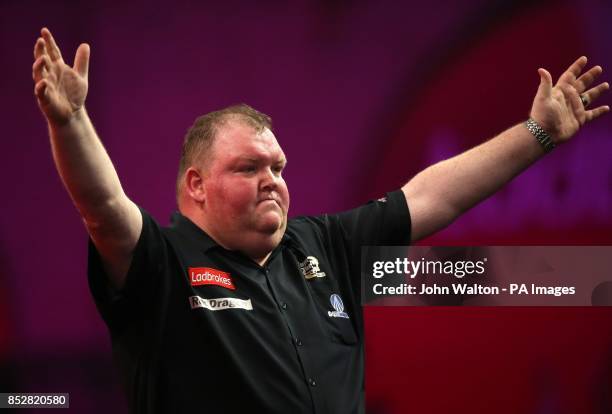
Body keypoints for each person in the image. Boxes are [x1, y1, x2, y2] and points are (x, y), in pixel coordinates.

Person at [32, 27, 609, 414]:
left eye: (278, 166)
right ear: (196, 185)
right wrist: (71, 122)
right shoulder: (161, 265)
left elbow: (432, 197)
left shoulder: (322, 244)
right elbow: (104, 209)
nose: (273, 179)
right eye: (248, 166)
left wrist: (537, 136)